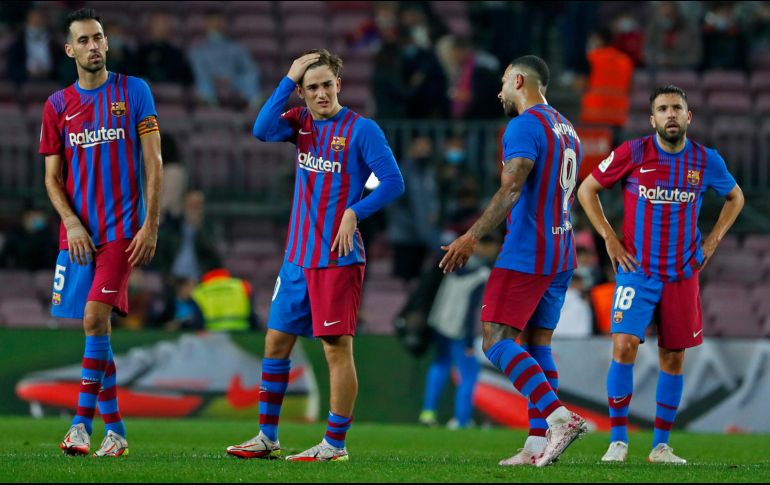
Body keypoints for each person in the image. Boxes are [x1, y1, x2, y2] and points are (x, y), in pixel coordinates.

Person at [225, 50, 404, 462]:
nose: (321, 93)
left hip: (337, 259)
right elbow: (261, 129)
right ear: (302, 94)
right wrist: (287, 79)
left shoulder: (363, 130)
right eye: (311, 88)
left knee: (335, 349)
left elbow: (394, 182)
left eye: (326, 85)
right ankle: (267, 436)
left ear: (339, 85)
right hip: (296, 259)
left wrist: (355, 212)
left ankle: (335, 444)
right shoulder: (299, 123)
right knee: (275, 342)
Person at [577, 85, 744, 464]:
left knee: (673, 358)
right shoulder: (633, 153)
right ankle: (617, 440)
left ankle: (660, 446)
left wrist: (714, 239)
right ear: (652, 119)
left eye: (677, 108)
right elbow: (587, 190)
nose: (671, 114)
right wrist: (609, 238)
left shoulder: (705, 160)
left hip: (682, 274)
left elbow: (736, 197)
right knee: (623, 347)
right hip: (637, 271)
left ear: (689, 117)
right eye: (663, 109)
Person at [439, 55, 587, 468]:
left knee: (495, 340)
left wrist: (471, 236)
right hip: (562, 250)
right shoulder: (568, 128)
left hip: (527, 250)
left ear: (519, 80)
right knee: (538, 343)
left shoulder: (524, 125)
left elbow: (511, 189)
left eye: (504, 83)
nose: (500, 91)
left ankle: (559, 418)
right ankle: (538, 443)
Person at [39, 8, 163, 458]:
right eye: (84, 40)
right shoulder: (56, 106)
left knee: (95, 318)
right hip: (79, 235)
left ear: (106, 43)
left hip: (122, 232)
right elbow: (52, 179)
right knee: (96, 328)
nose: (94, 45)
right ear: (70, 50)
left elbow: (154, 160)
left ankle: (79, 425)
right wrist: (71, 222)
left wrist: (150, 223)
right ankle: (117, 431)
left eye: (99, 37)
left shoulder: (134, 91)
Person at [418, 233, 499, 430]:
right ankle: (461, 420)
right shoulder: (481, 274)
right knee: (469, 373)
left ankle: (428, 413)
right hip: (461, 331)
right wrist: (471, 341)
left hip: (441, 323)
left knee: (440, 365)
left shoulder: (453, 266)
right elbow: (473, 310)